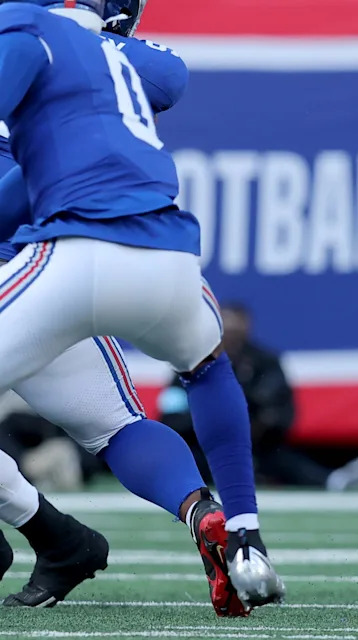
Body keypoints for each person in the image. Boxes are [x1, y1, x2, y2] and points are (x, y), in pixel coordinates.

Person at [0, 0, 285, 612]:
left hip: (54, 262)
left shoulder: (26, 34)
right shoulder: (116, 58)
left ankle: (42, 530)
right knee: (135, 414)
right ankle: (230, 524)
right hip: (167, 251)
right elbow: (169, 76)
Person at [159, 303, 358, 490]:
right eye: (226, 329)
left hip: (256, 446)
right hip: (205, 445)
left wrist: (260, 422)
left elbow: (283, 411)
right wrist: (213, 422)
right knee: (192, 462)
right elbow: (171, 413)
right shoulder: (192, 361)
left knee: (281, 459)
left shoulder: (265, 363)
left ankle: (336, 480)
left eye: (237, 330)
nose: (231, 337)